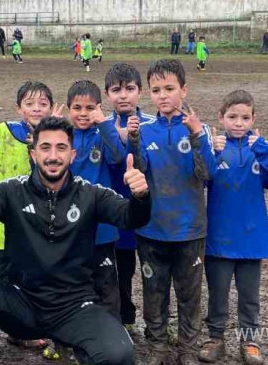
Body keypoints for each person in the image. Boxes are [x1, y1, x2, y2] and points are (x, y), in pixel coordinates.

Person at [0, 116, 153, 365]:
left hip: (74, 306)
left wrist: (141, 196)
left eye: (61, 148)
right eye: (45, 148)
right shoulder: (11, 191)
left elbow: (131, 217)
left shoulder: (91, 194)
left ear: (72, 155)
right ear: (33, 154)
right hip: (22, 302)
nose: (53, 156)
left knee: (119, 354)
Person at [128, 59, 218, 365]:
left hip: (190, 230)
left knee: (189, 294)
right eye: (156, 90)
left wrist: (196, 137)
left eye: (169, 88)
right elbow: (138, 171)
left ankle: (187, 349)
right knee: (154, 292)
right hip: (152, 229)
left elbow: (207, 173)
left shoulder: (199, 129)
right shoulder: (144, 129)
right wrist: (135, 141)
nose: (163, 95)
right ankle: (158, 346)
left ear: (184, 89)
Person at [0, 81, 60, 353]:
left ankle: (19, 332)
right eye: (29, 103)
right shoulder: (3, 131)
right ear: (18, 107)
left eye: (43, 104)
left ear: (51, 108)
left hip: (32, 230)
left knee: (24, 286)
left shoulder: (53, 139)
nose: (36, 109)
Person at [199, 90, 268, 365]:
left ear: (254, 119)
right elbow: (202, 178)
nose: (239, 123)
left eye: (245, 117)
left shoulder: (261, 149)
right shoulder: (215, 148)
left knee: (249, 295)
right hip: (219, 236)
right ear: (221, 118)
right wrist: (209, 151)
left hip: (252, 237)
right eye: (232, 117)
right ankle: (215, 337)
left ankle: (250, 340)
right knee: (217, 292)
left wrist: (267, 153)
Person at [66, 80, 127, 321]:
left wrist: (104, 124)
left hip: (101, 226)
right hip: (68, 225)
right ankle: (69, 337)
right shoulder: (63, 136)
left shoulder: (103, 134)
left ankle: (113, 332)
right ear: (69, 109)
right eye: (77, 108)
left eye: (90, 108)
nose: (83, 113)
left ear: (99, 108)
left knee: (106, 284)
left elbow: (117, 157)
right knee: (70, 283)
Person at [104, 63, 155, 333]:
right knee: (121, 270)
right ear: (107, 94)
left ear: (140, 92)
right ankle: (125, 317)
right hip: (114, 216)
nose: (123, 95)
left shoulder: (151, 124)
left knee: (153, 273)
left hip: (146, 215)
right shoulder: (101, 125)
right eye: (116, 90)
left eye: (130, 89)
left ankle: (155, 324)